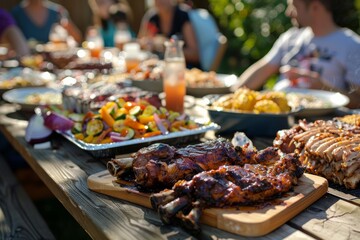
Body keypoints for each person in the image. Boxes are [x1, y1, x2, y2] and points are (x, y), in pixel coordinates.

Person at [233, 0, 360, 108]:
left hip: (320, 122)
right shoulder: (290, 37)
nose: (289, 12)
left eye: (294, 6)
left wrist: (321, 86)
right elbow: (262, 69)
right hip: (278, 112)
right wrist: (233, 93)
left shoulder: (351, 44)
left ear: (315, 7)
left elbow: (357, 100)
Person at [138, 0, 200, 68]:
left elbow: (195, 54)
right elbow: (140, 43)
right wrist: (147, 43)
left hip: (184, 69)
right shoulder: (152, 17)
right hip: (158, 69)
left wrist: (168, 47)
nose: (160, 1)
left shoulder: (182, 16)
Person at [11, 0, 82, 44]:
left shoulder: (58, 11)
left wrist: (68, 27)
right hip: (26, 62)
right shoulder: (17, 13)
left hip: (56, 60)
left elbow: (78, 38)